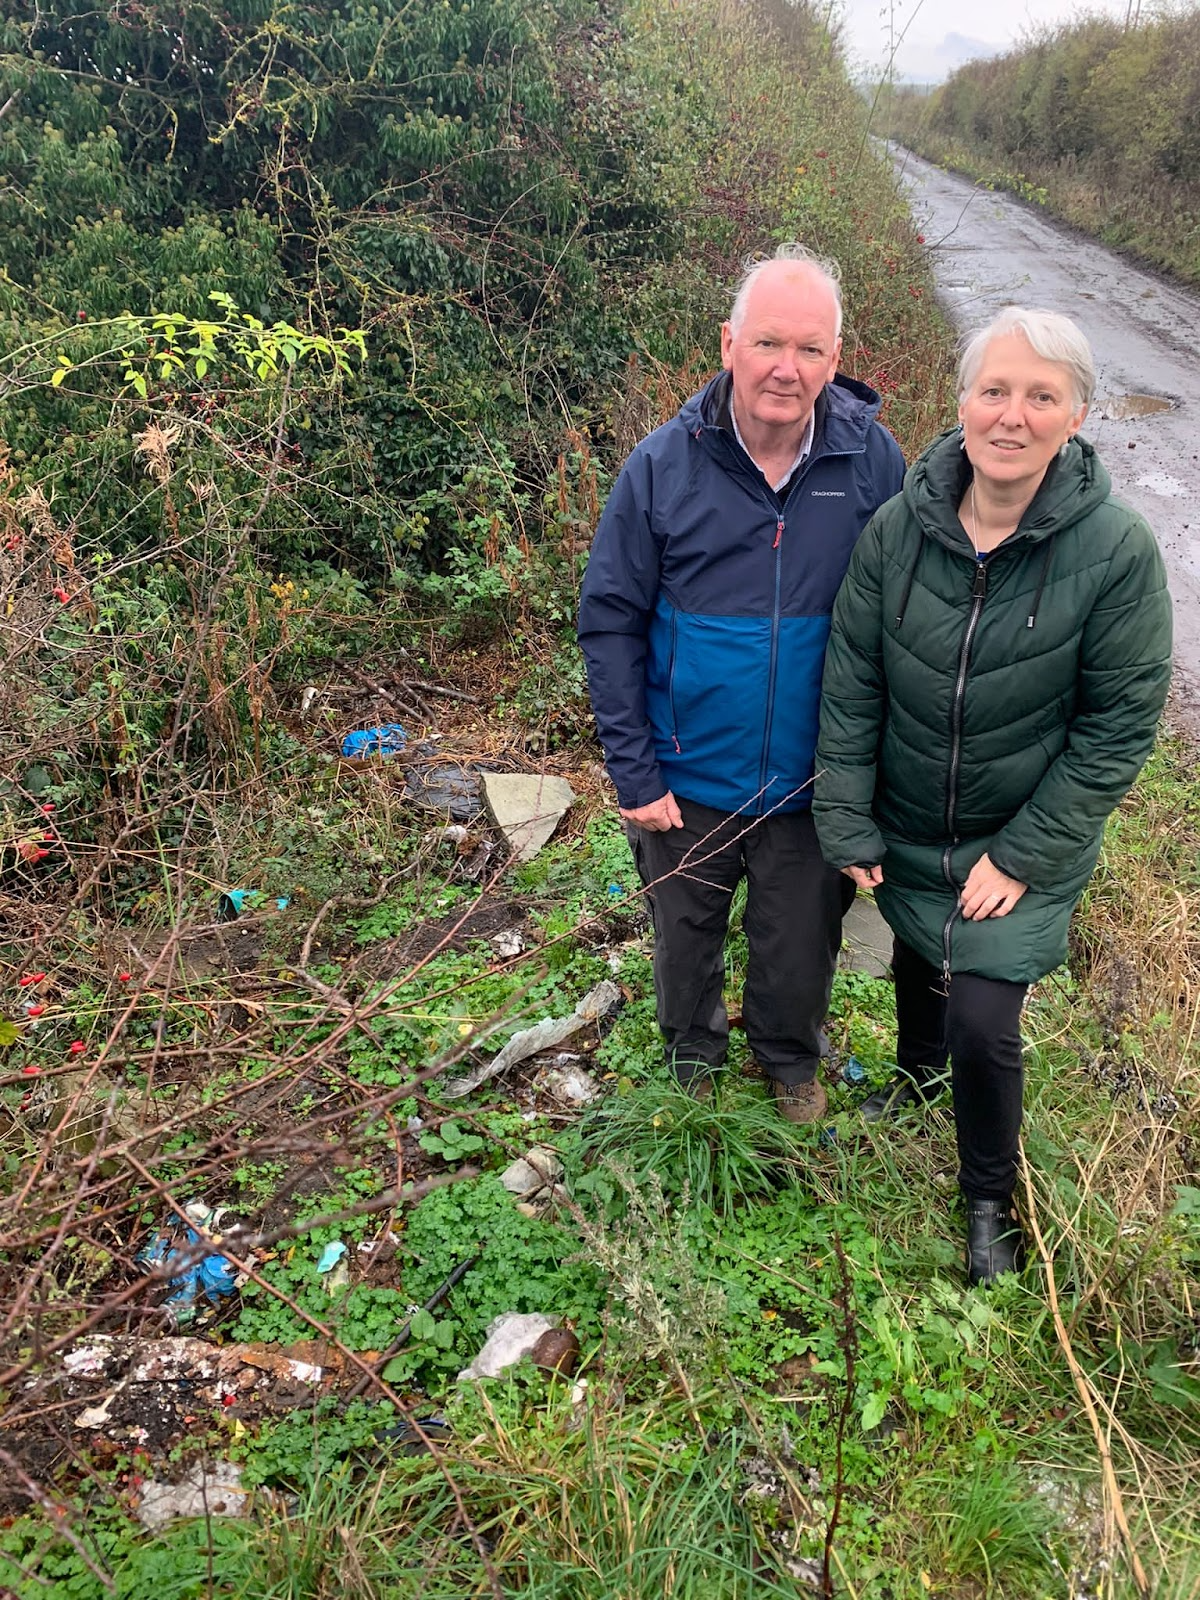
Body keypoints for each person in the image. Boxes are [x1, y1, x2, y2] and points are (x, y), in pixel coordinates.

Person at [813, 306, 1172, 1283]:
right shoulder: (898, 531)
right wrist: (845, 808)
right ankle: (913, 1073)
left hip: (1020, 838)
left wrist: (1021, 855)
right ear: (963, 400)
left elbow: (1116, 730)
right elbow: (853, 680)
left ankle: (988, 1197)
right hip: (908, 816)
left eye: (1041, 397)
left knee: (980, 1013)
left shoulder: (1117, 556)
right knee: (914, 947)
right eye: (994, 389)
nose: (1012, 416)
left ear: (1078, 416)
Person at [578, 244, 905, 1120]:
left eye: (809, 350)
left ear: (836, 362)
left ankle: (790, 1063)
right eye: (768, 344)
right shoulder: (662, 465)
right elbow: (609, 618)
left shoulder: (874, 467)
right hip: (688, 778)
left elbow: (910, 615)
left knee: (800, 945)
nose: (785, 370)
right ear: (728, 345)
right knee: (683, 944)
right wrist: (636, 772)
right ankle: (692, 1068)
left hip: (812, 779)